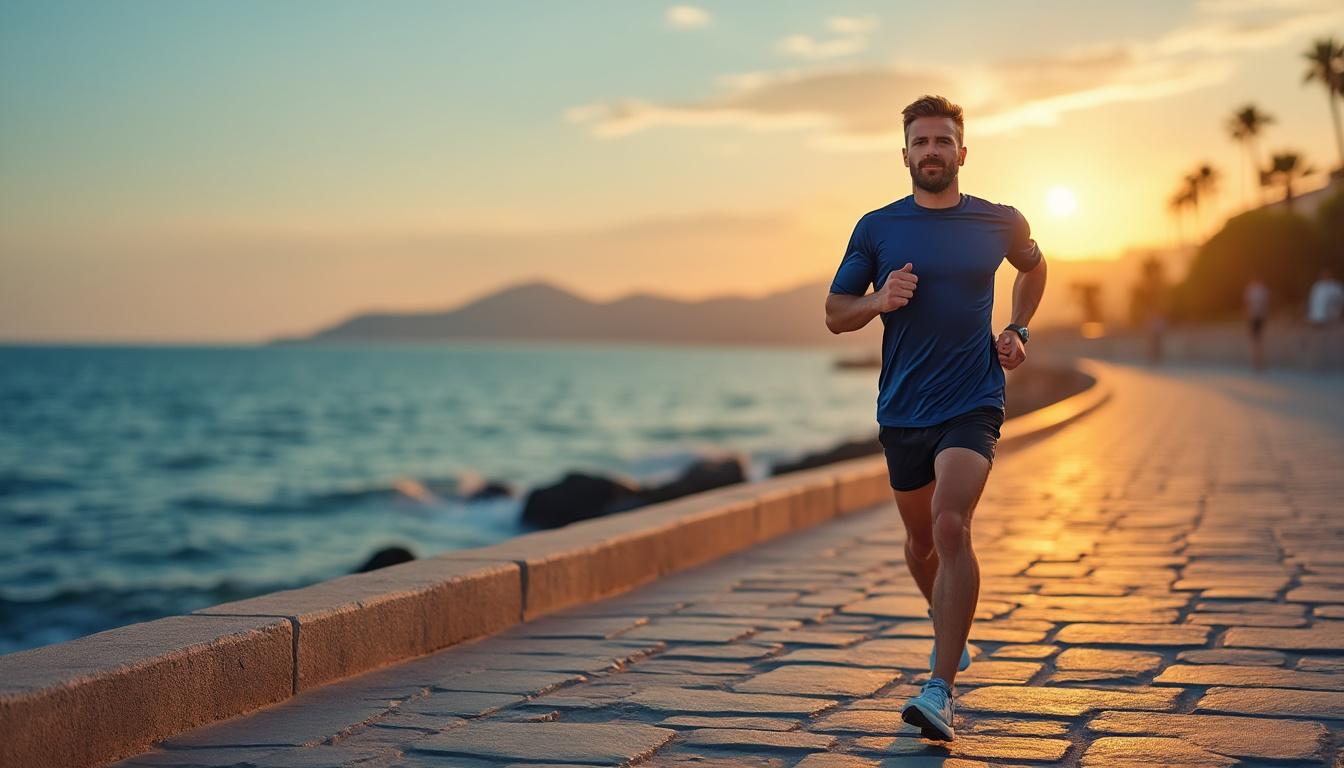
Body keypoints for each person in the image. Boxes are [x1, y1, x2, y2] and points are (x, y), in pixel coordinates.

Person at [824, 95, 1047, 742]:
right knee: (921, 544)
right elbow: (835, 312)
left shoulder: (999, 221)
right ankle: (948, 625)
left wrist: (1019, 328)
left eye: (941, 141)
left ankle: (940, 689)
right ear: (905, 155)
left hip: (972, 398)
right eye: (919, 142)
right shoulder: (876, 228)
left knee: (952, 525)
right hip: (901, 409)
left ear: (961, 152)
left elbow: (1034, 269)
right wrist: (877, 300)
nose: (931, 151)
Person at [1244, 276, 1269, 372]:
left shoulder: (1253, 289)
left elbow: (1247, 303)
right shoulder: (1261, 289)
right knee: (1257, 340)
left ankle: (1257, 363)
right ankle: (1257, 363)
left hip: (1256, 317)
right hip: (1257, 317)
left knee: (1256, 341)